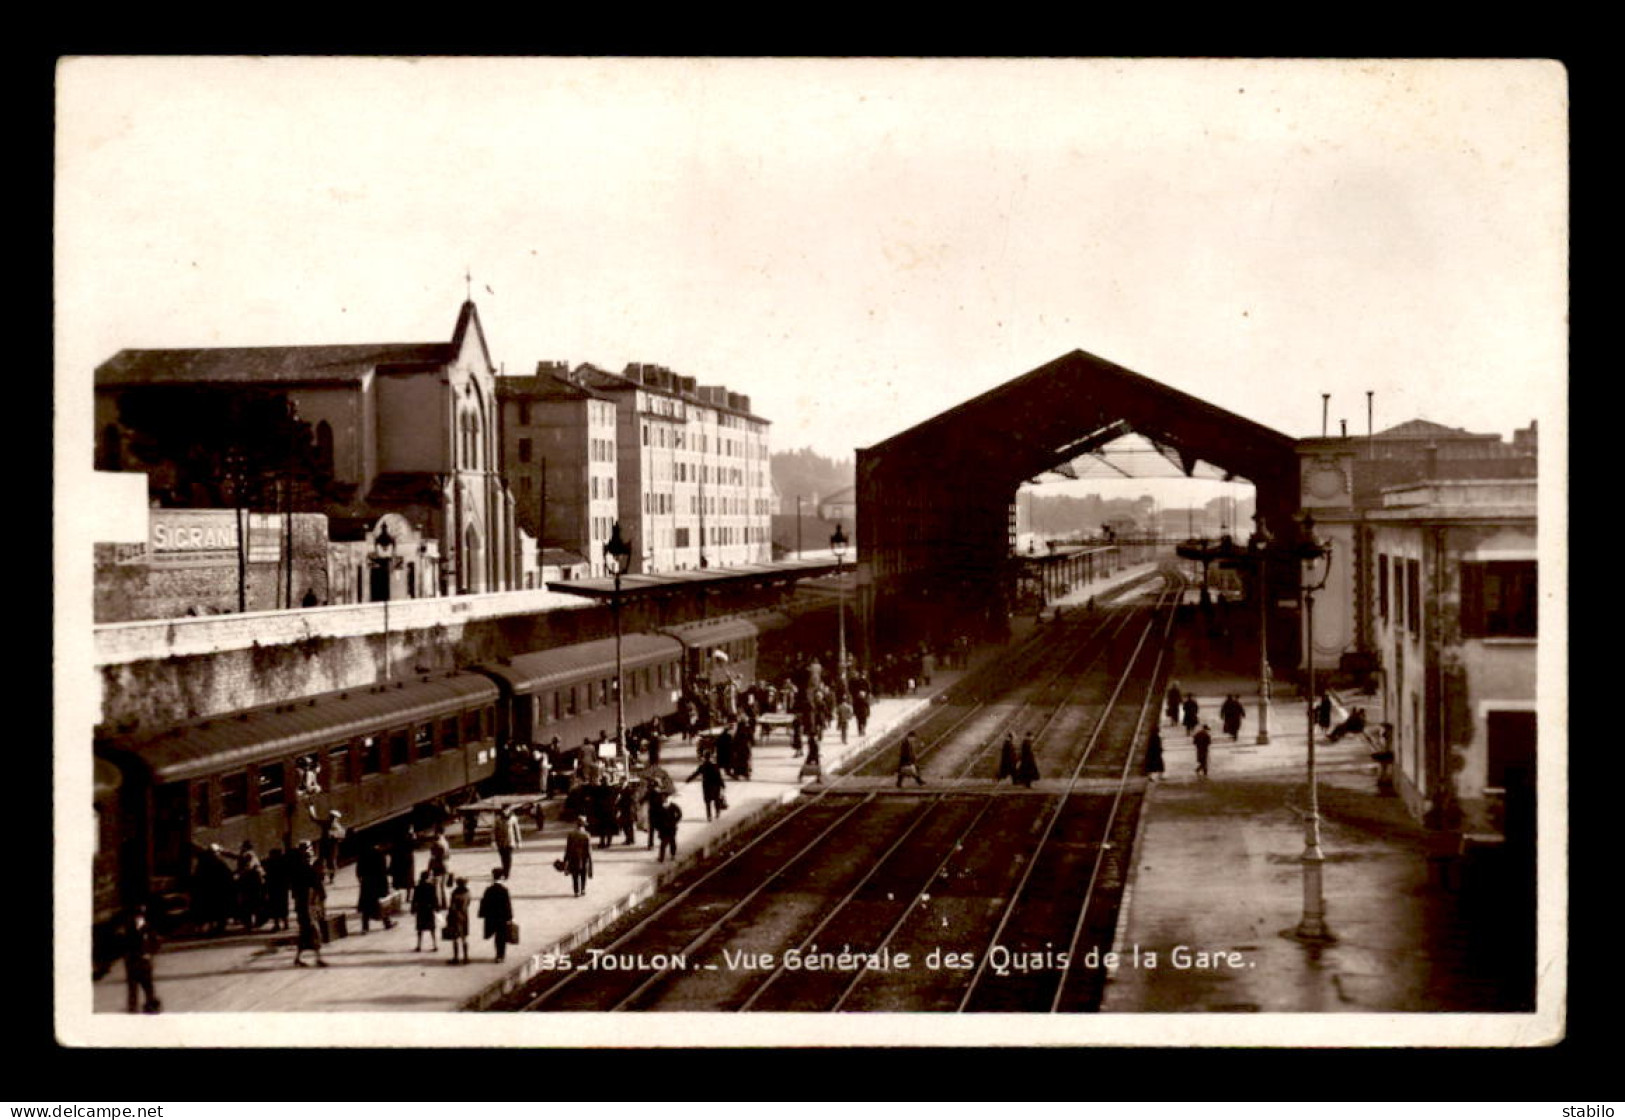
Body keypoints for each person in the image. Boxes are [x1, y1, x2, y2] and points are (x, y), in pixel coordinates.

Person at [291, 842, 330, 968]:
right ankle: (318, 958)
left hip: (303, 906)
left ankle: (298, 958)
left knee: (304, 934)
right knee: (315, 932)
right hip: (307, 907)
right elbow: (317, 887)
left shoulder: (297, 869)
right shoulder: (308, 870)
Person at [118, 904, 162, 1014]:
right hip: (133, 962)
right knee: (133, 988)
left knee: (147, 986)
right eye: (137, 916)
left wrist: (149, 953)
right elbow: (124, 944)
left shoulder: (148, 928)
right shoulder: (128, 928)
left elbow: (156, 942)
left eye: (140, 916)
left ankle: (150, 1004)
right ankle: (133, 1008)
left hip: (144, 962)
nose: (139, 918)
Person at [356, 843, 394, 934]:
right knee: (382, 904)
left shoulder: (363, 855)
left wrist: (362, 882)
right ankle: (387, 923)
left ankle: (365, 928)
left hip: (367, 884)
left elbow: (358, 872)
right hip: (378, 883)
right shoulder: (380, 855)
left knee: (366, 907)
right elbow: (384, 871)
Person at [478, 868, 513, 962]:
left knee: (496, 936)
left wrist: (482, 914)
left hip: (492, 917)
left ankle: (497, 955)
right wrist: (509, 917)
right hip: (502, 917)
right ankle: (500, 955)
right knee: (501, 937)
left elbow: (483, 903)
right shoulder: (504, 890)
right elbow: (507, 905)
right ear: (501, 877)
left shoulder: (489, 890)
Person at [308, 806, 346, 884]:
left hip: (331, 847)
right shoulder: (326, 823)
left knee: (330, 862)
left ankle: (331, 877)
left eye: (332, 817)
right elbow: (314, 819)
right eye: (331, 817)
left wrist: (334, 836)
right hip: (325, 846)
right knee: (323, 862)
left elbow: (342, 836)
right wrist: (311, 809)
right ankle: (323, 877)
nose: (331, 819)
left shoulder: (337, 827)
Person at [686, 753, 728, 821]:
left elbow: (696, 774)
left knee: (707, 802)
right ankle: (717, 813)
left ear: (705, 758)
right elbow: (719, 777)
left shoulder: (703, 766)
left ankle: (709, 816)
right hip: (715, 785)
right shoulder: (715, 766)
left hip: (707, 786)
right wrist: (722, 785)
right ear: (710, 758)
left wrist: (688, 780)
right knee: (716, 799)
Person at [235, 840, 265, 930]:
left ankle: (250, 922)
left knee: (249, 903)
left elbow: (248, 867)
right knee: (254, 903)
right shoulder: (251, 855)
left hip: (250, 883)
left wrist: (239, 874)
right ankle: (253, 922)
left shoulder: (248, 855)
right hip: (253, 883)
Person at [411, 869, 441, 952]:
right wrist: (437, 908)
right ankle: (435, 945)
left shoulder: (418, 887)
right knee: (432, 928)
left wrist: (413, 909)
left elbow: (414, 899)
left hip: (421, 909)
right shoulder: (431, 887)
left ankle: (419, 945)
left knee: (420, 929)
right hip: (429, 909)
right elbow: (435, 898)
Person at [263, 846, 291, 932]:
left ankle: (278, 924)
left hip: (274, 887)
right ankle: (285, 924)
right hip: (281, 888)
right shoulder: (283, 862)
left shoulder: (271, 863)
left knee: (276, 907)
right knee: (282, 906)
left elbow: (267, 875)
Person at [445, 876, 472, 964]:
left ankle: (456, 958)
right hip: (465, 915)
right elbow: (468, 903)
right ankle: (466, 957)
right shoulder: (468, 893)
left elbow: (452, 906)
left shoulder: (455, 893)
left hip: (455, 916)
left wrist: (448, 916)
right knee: (464, 937)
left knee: (455, 938)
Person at [564, 818, 594, 897]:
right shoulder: (586, 835)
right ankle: (583, 889)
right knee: (583, 874)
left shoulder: (571, 834)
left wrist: (565, 861)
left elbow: (567, 849)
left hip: (573, 858)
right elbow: (589, 850)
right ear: (584, 825)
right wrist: (591, 863)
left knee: (575, 875)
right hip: (584, 858)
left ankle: (576, 891)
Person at [493, 805, 521, 877]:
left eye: (507, 810)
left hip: (510, 841)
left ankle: (507, 873)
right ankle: (505, 870)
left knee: (508, 858)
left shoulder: (513, 818)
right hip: (500, 842)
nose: (506, 811)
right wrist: (493, 841)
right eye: (504, 810)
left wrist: (518, 841)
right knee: (503, 857)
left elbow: (516, 830)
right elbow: (494, 831)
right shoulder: (498, 819)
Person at [653, 797, 683, 863]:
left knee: (672, 841)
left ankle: (672, 855)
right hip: (663, 828)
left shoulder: (673, 806)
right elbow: (655, 817)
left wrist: (675, 821)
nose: (664, 800)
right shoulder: (659, 807)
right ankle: (662, 858)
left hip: (671, 828)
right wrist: (657, 827)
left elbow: (680, 814)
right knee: (663, 843)